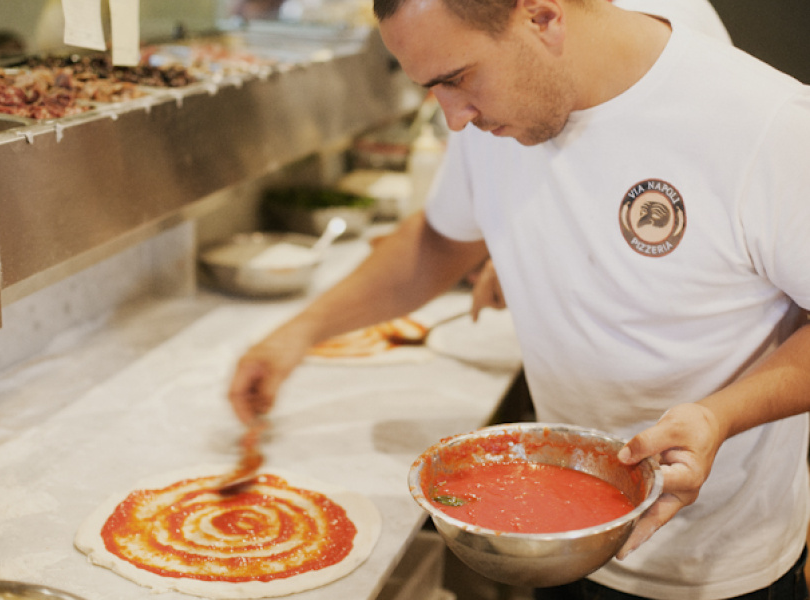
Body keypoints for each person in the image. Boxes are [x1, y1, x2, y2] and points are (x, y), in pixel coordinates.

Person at [229, 0, 810, 597]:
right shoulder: (496, 113)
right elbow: (437, 243)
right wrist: (296, 334)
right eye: (433, 88)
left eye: (455, 79)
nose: (453, 118)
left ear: (542, 18)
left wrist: (721, 415)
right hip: (555, 538)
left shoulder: (766, 123)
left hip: (716, 565)